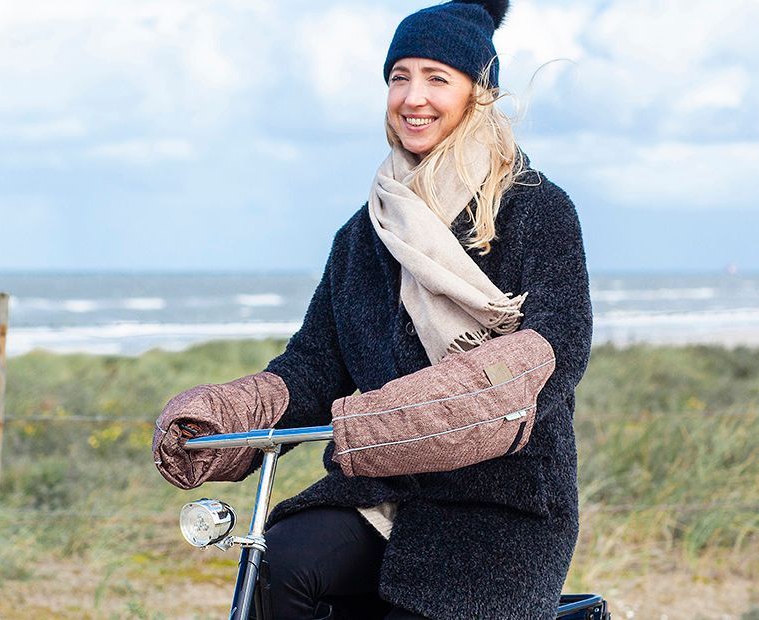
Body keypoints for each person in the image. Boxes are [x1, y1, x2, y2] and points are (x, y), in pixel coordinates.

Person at [153, 0, 593, 618]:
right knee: (277, 568)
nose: (413, 97)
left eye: (437, 78)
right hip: (384, 488)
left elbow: (558, 345)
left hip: (502, 504)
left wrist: (415, 415)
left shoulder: (536, 209)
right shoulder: (365, 234)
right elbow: (313, 366)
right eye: (399, 77)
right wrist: (227, 415)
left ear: (477, 93)